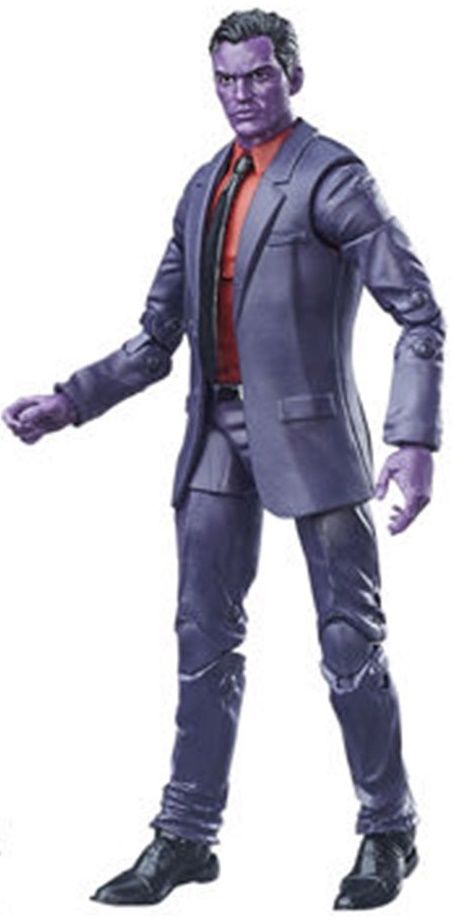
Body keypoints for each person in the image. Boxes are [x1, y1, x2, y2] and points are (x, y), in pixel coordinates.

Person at [2, 8, 444, 912]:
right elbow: (155, 338)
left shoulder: (332, 176)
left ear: (292, 77)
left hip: (315, 440)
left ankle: (388, 826)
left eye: (258, 75)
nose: (241, 94)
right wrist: (70, 401)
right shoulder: (204, 185)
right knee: (202, 640)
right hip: (214, 434)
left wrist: (413, 440)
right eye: (226, 79)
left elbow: (420, 315)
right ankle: (186, 832)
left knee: (349, 641)